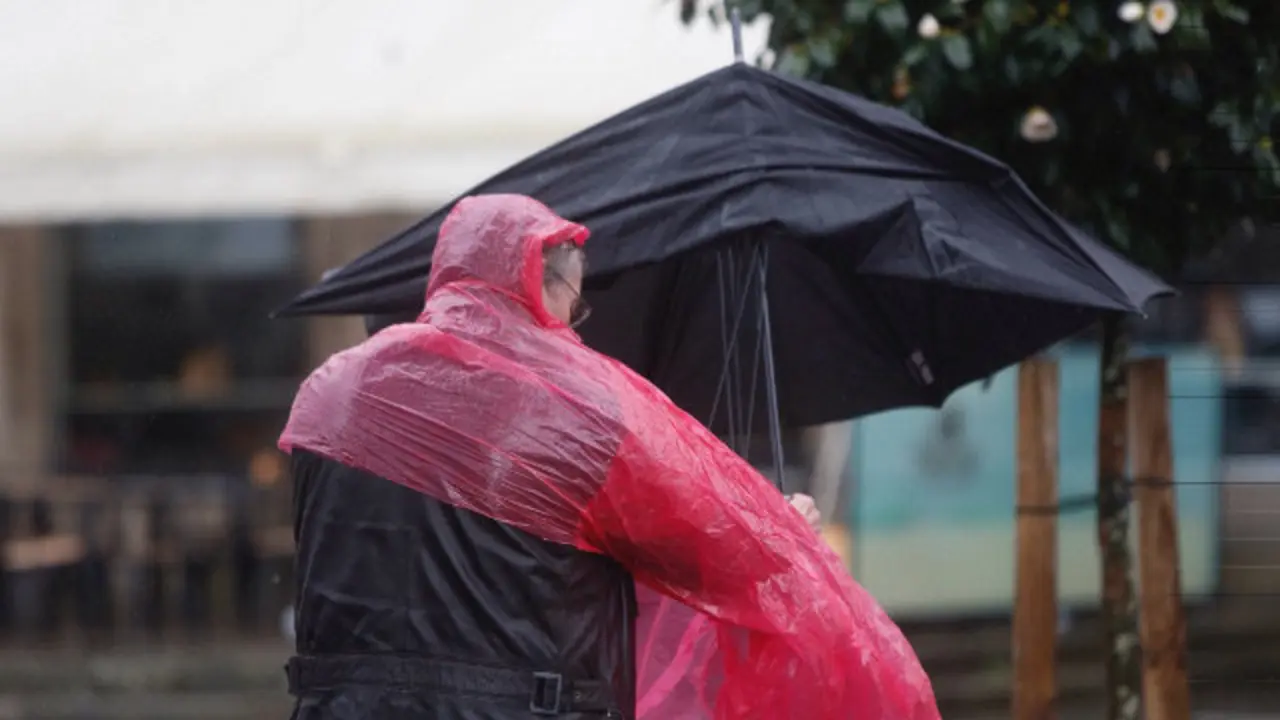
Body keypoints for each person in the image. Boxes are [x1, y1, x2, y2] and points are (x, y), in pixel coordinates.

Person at [280, 194, 938, 719]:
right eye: (574, 300)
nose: (572, 319)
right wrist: (780, 526)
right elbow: (717, 546)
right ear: (544, 287)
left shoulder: (327, 394)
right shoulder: (578, 413)